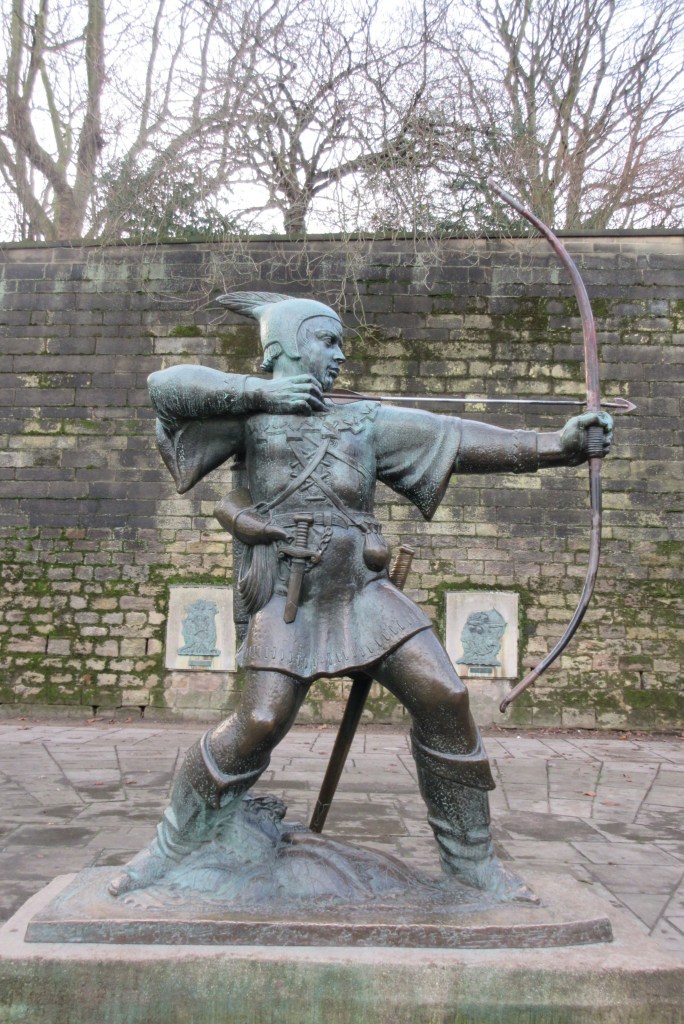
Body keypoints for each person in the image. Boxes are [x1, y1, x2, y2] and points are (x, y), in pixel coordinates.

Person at [109, 292, 612, 902]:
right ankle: (168, 848)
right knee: (260, 722)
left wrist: (557, 447)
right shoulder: (248, 413)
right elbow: (166, 388)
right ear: (286, 347)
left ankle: (473, 866)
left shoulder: (364, 420)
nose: (341, 356)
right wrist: (262, 393)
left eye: (340, 343)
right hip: (291, 596)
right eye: (328, 341)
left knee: (444, 694)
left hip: (363, 591)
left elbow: (454, 437)